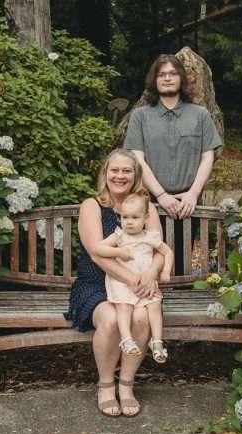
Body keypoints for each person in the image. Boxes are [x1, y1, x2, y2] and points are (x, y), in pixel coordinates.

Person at [64, 149, 165, 417]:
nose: (120, 176)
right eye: (114, 170)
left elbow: (158, 250)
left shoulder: (147, 208)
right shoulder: (92, 205)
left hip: (140, 284)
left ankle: (126, 385)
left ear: (136, 176)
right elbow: (98, 254)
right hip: (96, 284)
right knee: (110, 319)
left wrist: (152, 274)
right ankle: (106, 385)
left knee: (142, 318)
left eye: (127, 171)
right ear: (105, 174)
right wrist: (132, 279)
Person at [124, 54, 222, 273]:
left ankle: (179, 300)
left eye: (172, 74)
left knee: (179, 264)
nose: (167, 78)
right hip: (148, 202)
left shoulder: (200, 115)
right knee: (147, 260)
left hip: (188, 203)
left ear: (181, 78)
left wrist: (192, 194)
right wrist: (161, 195)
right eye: (162, 74)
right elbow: (137, 158)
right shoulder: (140, 116)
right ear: (154, 80)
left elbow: (208, 156)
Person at [94, 192, 173, 363]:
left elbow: (167, 252)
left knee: (154, 305)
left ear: (145, 218)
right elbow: (99, 249)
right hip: (123, 283)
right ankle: (126, 339)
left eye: (135, 217)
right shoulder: (119, 236)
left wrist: (165, 271)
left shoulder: (150, 237)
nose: (129, 221)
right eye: (125, 217)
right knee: (124, 307)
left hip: (145, 283)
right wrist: (118, 251)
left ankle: (157, 342)